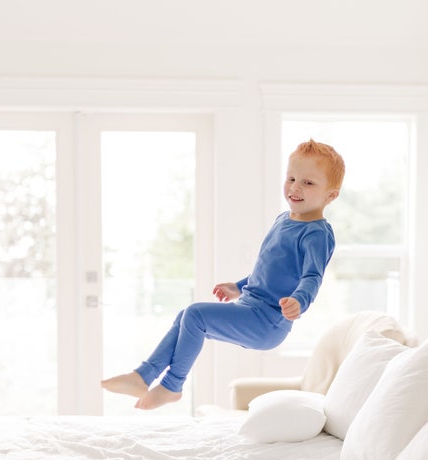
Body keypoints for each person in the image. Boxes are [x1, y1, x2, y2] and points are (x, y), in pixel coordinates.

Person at [101, 139, 345, 409]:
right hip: (250, 307)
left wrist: (300, 301)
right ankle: (143, 376)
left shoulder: (317, 233)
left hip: (268, 323)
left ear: (331, 195)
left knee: (196, 314)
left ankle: (172, 385)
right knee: (186, 316)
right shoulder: (283, 220)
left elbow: (312, 277)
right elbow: (269, 270)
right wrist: (239, 287)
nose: (295, 187)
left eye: (308, 183)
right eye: (291, 178)